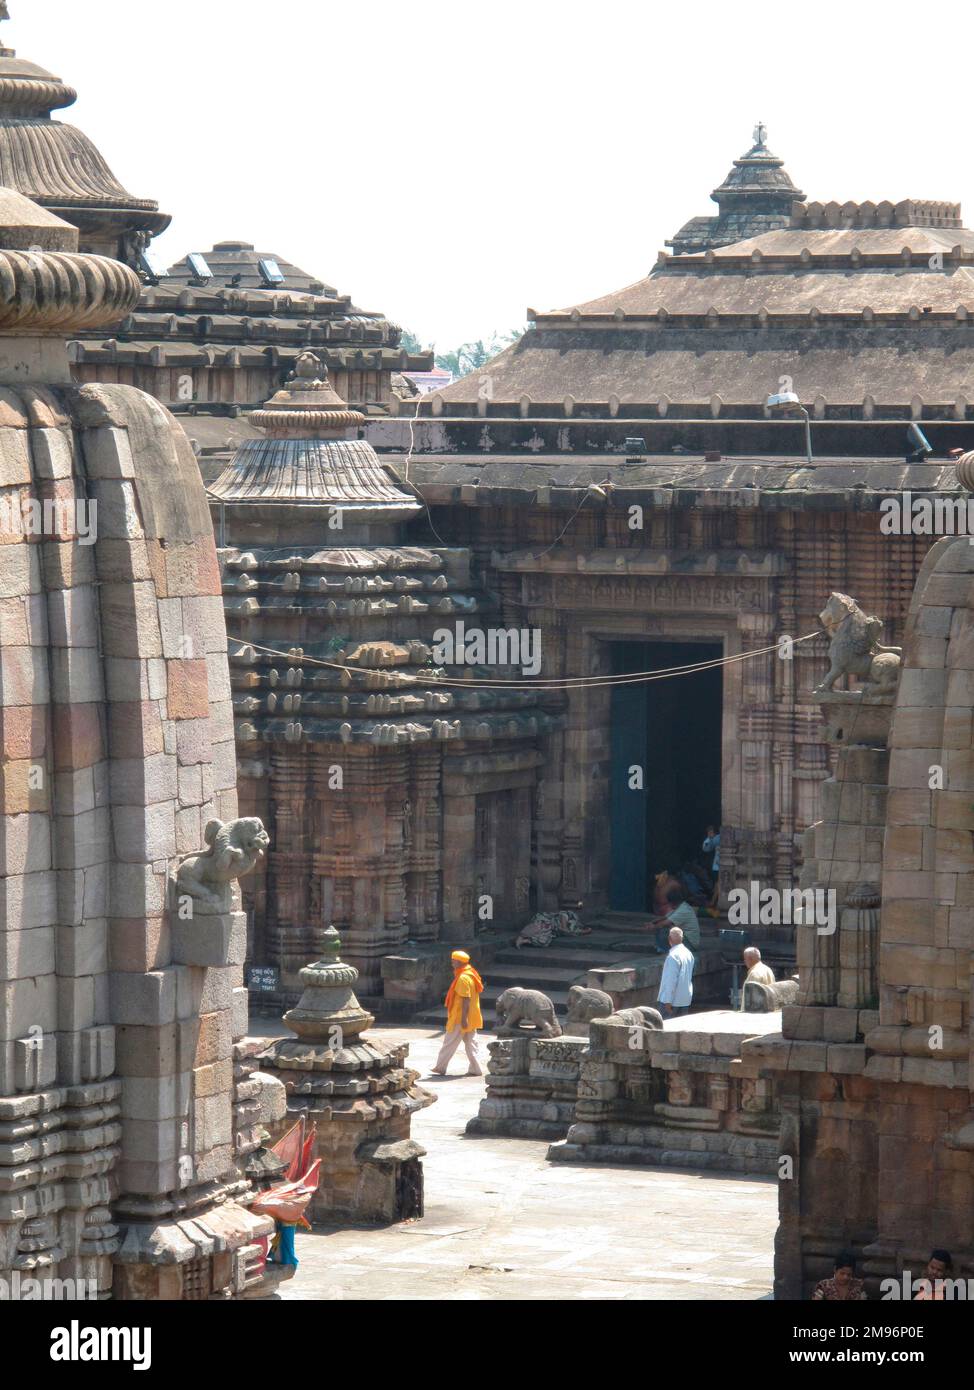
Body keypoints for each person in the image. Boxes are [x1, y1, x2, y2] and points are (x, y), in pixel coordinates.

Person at [431, 950, 485, 1076]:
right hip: (472, 1016)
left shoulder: (463, 978)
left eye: (453, 960)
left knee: (449, 1042)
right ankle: (475, 1068)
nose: (452, 963)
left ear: (459, 962)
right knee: (471, 1043)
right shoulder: (471, 973)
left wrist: (463, 1019)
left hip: (461, 1017)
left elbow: (466, 999)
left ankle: (440, 1067)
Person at [657, 926, 694, 1017]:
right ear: (682, 938)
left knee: (666, 1028)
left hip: (672, 1001)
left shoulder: (673, 956)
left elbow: (671, 980)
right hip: (685, 999)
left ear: (669, 939)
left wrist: (668, 1001)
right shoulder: (689, 954)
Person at [652, 887, 700, 954]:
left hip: (690, 944)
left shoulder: (683, 910)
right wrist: (652, 922)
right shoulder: (681, 906)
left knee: (663, 929)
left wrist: (652, 926)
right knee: (665, 927)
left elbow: (665, 923)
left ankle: (664, 951)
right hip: (687, 940)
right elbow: (666, 917)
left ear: (672, 902)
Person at [702, 825, 721, 909]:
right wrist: (709, 838)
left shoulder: (718, 838)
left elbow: (706, 847)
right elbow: (706, 849)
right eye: (708, 832)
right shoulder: (713, 839)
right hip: (717, 866)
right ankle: (714, 902)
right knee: (717, 884)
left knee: (718, 884)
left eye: (710, 832)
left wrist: (710, 838)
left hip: (720, 866)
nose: (709, 834)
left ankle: (713, 902)